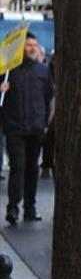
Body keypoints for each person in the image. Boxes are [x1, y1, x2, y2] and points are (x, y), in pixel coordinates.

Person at [1, 32, 53, 225]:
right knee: (18, 167)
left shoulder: (43, 70)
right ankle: (13, 207)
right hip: (15, 127)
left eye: (34, 45)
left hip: (36, 127)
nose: (32, 48)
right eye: (28, 45)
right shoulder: (8, 71)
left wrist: (46, 122)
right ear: (21, 48)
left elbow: (48, 97)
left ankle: (30, 207)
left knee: (32, 169)